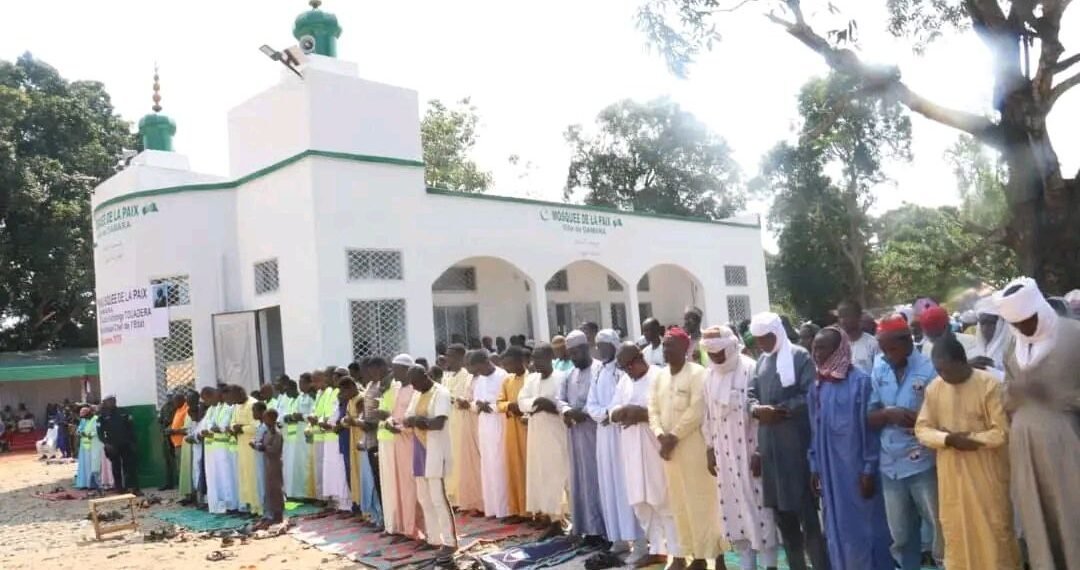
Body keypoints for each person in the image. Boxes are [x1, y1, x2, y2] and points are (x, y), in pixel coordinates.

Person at [914, 334, 1021, 570]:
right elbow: (922, 429)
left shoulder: (989, 385)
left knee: (994, 534)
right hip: (952, 478)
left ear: (962, 362)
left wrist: (970, 440)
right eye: (938, 370)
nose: (942, 375)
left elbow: (1002, 432)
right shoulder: (935, 388)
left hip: (987, 476)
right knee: (957, 534)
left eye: (946, 369)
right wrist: (947, 439)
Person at [995, 277, 1080, 569]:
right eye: (1017, 324)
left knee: (1071, 515)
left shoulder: (1073, 337)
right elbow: (1005, 397)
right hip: (1025, 447)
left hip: (1066, 443)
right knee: (1037, 517)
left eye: (1028, 321)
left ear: (1040, 310)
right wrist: (1016, 392)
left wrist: (1060, 397)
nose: (1024, 329)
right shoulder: (1013, 348)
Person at [747, 313, 828, 570]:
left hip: (796, 449)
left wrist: (780, 410)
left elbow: (810, 395)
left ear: (778, 333)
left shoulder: (800, 357)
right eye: (758, 339)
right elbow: (750, 395)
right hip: (771, 452)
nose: (762, 344)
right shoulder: (761, 361)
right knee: (784, 520)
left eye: (766, 338)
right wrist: (756, 410)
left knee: (808, 518)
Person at [809, 327, 893, 570]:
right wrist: (814, 466)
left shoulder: (860, 383)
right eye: (814, 348)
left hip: (856, 472)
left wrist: (868, 469)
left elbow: (869, 432)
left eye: (822, 348)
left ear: (838, 349)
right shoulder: (818, 385)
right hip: (830, 473)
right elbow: (815, 429)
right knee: (836, 528)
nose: (816, 353)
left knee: (866, 530)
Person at [868, 315, 943, 570]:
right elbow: (869, 416)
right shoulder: (879, 367)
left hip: (924, 462)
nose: (887, 355)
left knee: (939, 528)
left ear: (908, 341)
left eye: (891, 349)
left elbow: (942, 417)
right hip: (891, 465)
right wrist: (889, 414)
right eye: (883, 349)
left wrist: (919, 420)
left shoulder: (931, 369)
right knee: (900, 535)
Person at [701, 326, 779, 570]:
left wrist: (760, 452)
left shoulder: (751, 369)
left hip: (751, 453)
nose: (715, 356)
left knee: (761, 511)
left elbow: (762, 416)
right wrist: (710, 449)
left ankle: (770, 565)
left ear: (732, 346)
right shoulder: (709, 376)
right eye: (710, 352)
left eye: (719, 351)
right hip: (725, 458)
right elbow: (707, 416)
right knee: (734, 513)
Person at [649, 327, 722, 570]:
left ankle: (717, 556)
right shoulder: (659, 376)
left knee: (703, 503)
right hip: (669, 452)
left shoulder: (698, 373)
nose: (666, 349)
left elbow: (697, 410)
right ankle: (696, 557)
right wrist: (660, 435)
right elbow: (652, 409)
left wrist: (673, 436)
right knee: (680, 504)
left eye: (671, 345)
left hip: (693, 448)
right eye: (664, 345)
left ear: (685, 347)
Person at [612, 343, 678, 568]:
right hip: (631, 449)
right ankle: (657, 550)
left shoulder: (660, 377)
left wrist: (641, 414)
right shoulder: (624, 381)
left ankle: (676, 553)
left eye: (629, 365)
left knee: (663, 501)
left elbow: (669, 411)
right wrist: (620, 412)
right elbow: (612, 409)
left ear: (640, 358)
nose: (627, 371)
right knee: (640, 502)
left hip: (654, 449)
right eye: (623, 367)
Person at [585, 329, 647, 560]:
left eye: (604, 345)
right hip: (604, 434)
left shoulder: (622, 371)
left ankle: (639, 542)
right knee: (609, 485)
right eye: (598, 345)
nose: (600, 349)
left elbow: (622, 401)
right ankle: (618, 538)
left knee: (626, 486)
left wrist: (609, 414)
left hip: (622, 432)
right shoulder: (598, 371)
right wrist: (602, 414)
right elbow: (591, 402)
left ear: (614, 345)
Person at [404, 365, 458, 562]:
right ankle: (433, 538)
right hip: (419, 450)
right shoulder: (417, 394)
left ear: (425, 376)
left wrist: (421, 421)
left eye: (415, 382)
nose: (413, 387)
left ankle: (450, 542)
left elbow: (438, 423)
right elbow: (408, 418)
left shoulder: (440, 393)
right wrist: (417, 420)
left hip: (435, 450)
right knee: (424, 499)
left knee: (438, 499)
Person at [558, 330, 606, 542]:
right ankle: (585, 527)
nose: (573, 357)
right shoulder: (569, 374)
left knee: (596, 480)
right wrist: (567, 411)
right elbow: (559, 399)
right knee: (579, 480)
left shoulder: (600, 370)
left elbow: (603, 398)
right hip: (575, 435)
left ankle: (602, 530)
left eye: (576, 352)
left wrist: (584, 412)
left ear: (586, 348)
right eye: (570, 353)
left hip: (595, 434)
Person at [517, 342, 570, 535]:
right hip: (537, 436)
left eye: (539, 358)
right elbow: (521, 401)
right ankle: (553, 520)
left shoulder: (562, 377)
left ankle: (571, 518)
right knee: (542, 477)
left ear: (550, 358)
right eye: (534, 358)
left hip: (557, 435)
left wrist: (551, 406)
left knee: (562, 475)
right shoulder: (531, 379)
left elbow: (565, 404)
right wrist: (537, 402)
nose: (535, 362)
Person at [468, 349, 510, 519]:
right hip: (485, 425)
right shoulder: (480, 380)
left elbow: (506, 402)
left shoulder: (503, 376)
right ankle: (492, 508)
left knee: (500, 466)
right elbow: (474, 403)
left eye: (479, 368)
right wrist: (477, 405)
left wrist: (490, 407)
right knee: (488, 467)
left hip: (499, 424)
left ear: (487, 362)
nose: (479, 372)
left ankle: (505, 510)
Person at [443, 345, 484, 514]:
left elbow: (466, 399)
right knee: (453, 461)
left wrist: (454, 399)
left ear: (461, 357)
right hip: (450, 423)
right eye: (447, 356)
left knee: (467, 461)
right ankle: (456, 498)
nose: (448, 359)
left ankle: (473, 499)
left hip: (465, 421)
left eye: (451, 356)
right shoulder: (447, 376)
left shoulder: (467, 375)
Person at [389, 354, 424, 537]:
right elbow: (394, 413)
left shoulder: (414, 391)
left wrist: (400, 427)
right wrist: (390, 423)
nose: (393, 372)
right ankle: (406, 527)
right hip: (398, 441)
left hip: (411, 441)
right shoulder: (396, 388)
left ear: (405, 370)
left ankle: (417, 528)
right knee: (401, 485)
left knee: (412, 485)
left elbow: (414, 417)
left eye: (395, 369)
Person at [496, 346, 529, 519]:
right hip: (511, 429)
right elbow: (499, 403)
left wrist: (522, 408)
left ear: (520, 361)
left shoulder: (531, 378)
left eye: (509, 363)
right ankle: (517, 509)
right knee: (514, 469)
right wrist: (510, 406)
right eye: (505, 364)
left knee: (528, 469)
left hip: (527, 429)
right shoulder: (507, 381)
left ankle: (534, 512)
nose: (507, 367)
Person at [98, 395, 139, 495]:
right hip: (112, 446)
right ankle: (119, 488)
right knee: (116, 467)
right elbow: (100, 432)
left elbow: (131, 428)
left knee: (129, 467)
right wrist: (106, 443)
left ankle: (133, 488)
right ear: (105, 403)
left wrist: (133, 442)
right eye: (109, 401)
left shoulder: (123, 412)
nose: (112, 402)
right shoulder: (103, 415)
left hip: (126, 444)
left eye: (113, 400)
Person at [231, 387, 261, 515]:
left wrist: (241, 428)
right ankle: (252, 508)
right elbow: (232, 422)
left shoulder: (253, 404)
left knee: (255, 476)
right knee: (245, 477)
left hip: (253, 445)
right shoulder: (237, 405)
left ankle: (260, 508)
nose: (233, 401)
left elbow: (256, 426)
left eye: (234, 397)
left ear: (241, 393)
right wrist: (234, 427)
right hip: (242, 446)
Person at [256, 408, 285, 526]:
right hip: (268, 463)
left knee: (276, 489)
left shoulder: (277, 433)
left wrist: (263, 448)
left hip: (275, 463)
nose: (264, 421)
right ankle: (270, 513)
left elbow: (275, 449)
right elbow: (262, 443)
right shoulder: (267, 432)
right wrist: (257, 445)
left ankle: (278, 514)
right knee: (269, 489)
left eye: (266, 418)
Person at [838, 301, 880, 374]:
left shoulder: (873, 344)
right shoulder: (837, 345)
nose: (843, 321)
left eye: (847, 316)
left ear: (858, 317)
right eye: (840, 316)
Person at [970, 297, 1011, 373]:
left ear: (1001, 324)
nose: (985, 329)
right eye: (982, 323)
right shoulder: (973, 353)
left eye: (990, 323)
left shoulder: (1013, 352)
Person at [178, 391, 201, 504]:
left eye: (190, 399)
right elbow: (187, 426)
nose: (188, 401)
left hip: (196, 443)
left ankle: (197, 495)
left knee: (196, 469)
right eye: (187, 399)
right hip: (187, 442)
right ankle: (189, 494)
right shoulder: (188, 410)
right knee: (188, 470)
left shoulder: (200, 410)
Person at [163, 392, 189, 491]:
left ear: (181, 400)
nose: (173, 403)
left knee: (184, 470)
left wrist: (173, 431)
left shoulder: (186, 410)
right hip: (176, 444)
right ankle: (184, 491)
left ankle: (187, 492)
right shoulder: (178, 410)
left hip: (183, 444)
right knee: (180, 469)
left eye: (174, 401)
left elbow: (187, 428)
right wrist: (170, 429)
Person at [74, 407, 102, 489]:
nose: (84, 418)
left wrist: (88, 435)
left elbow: (96, 431)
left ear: (89, 413)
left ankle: (92, 483)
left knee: (92, 465)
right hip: (84, 445)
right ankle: (84, 483)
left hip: (93, 445)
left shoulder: (95, 419)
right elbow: (79, 429)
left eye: (85, 416)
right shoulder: (83, 420)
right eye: (82, 417)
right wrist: (80, 432)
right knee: (84, 465)